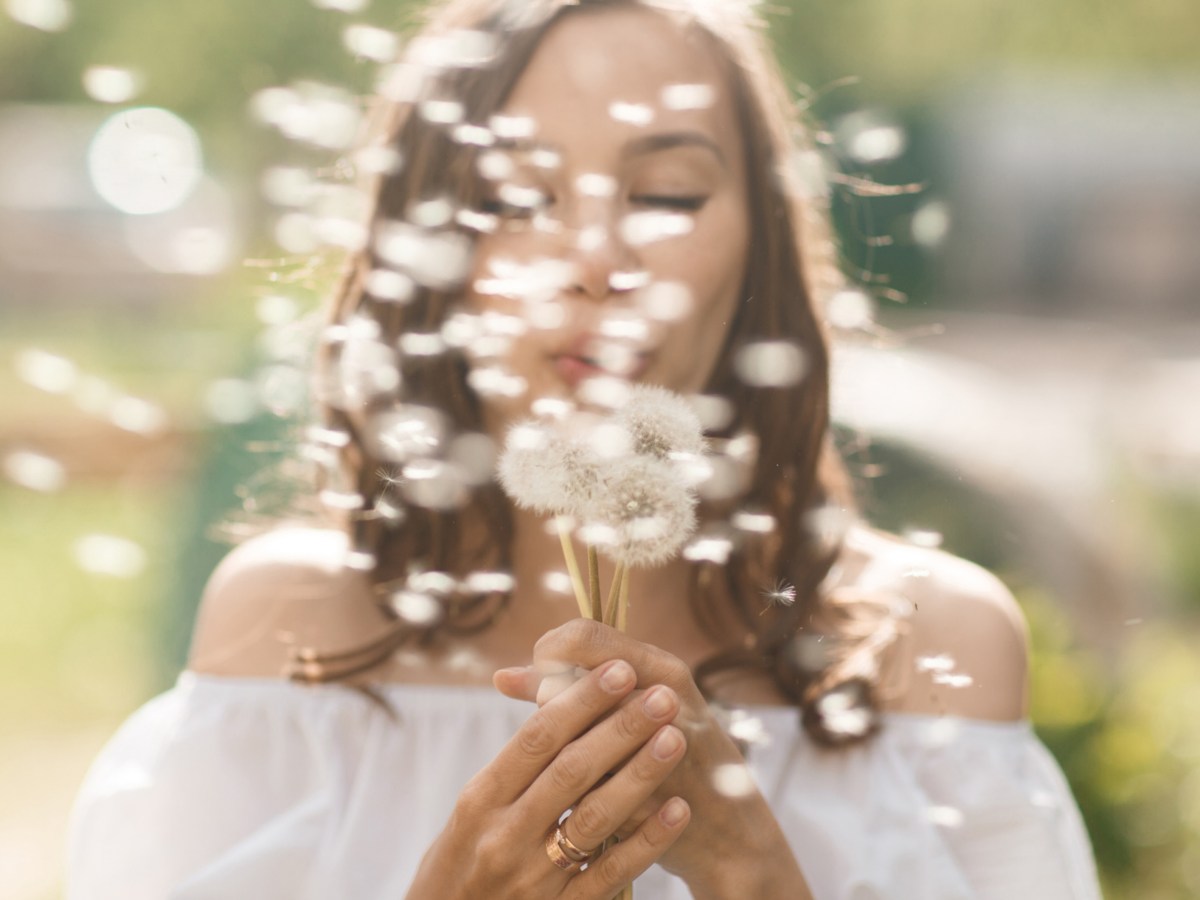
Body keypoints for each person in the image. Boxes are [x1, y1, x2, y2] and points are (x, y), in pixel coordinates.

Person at [66, 0, 1104, 897]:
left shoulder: (933, 653)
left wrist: (747, 868)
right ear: (428, 258)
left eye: (667, 195)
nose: (597, 257)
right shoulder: (294, 636)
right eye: (516, 198)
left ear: (764, 243)